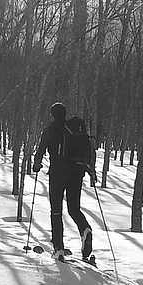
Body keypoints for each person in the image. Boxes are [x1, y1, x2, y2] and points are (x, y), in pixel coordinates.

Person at [31, 102, 96, 260]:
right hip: (76, 173)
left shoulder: (50, 130)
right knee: (74, 208)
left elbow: (40, 150)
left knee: (56, 211)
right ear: (65, 113)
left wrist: (36, 165)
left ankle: (59, 248)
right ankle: (85, 229)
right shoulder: (73, 129)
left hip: (58, 174)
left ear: (53, 114)